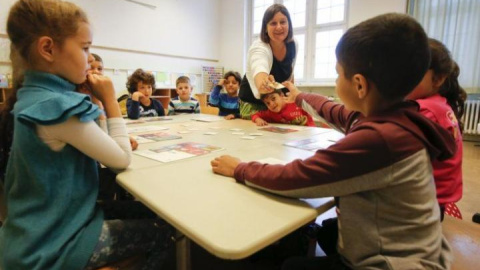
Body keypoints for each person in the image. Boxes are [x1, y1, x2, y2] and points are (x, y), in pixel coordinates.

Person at [211, 13, 454, 269]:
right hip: (414, 247)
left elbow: (295, 178)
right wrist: (299, 95)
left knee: (291, 266)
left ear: (359, 85)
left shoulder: (378, 140)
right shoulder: (395, 117)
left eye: (338, 75)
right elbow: (334, 111)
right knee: (327, 232)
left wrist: (239, 168)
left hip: (396, 264)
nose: (337, 81)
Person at [0, 1, 173, 269]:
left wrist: (97, 105)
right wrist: (110, 100)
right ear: (47, 49)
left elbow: (101, 144)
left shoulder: (33, 96)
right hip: (55, 242)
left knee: (157, 211)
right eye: (85, 48)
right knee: (165, 232)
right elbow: (120, 159)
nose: (90, 59)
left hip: (45, 225)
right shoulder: (58, 108)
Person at [406, 38, 466, 220]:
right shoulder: (438, 104)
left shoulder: (424, 110)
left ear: (438, 79)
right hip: (437, 196)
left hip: (424, 200)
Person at [238, 4, 298, 119]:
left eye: (283, 22)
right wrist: (264, 83)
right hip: (253, 102)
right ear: (265, 27)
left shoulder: (293, 44)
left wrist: (291, 94)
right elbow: (259, 68)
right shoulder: (259, 47)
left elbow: (290, 73)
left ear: (289, 24)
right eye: (273, 23)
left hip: (278, 101)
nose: (279, 27)